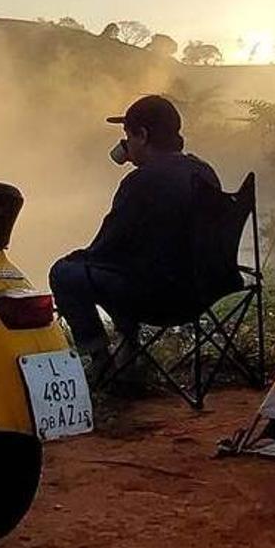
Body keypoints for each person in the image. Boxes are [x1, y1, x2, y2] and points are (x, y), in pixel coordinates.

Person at [49, 94, 223, 370]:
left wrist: (76, 259)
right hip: (204, 291)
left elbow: (106, 250)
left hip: (158, 299)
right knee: (128, 270)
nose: (126, 145)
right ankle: (128, 350)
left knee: (65, 273)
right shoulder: (204, 172)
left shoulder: (140, 182)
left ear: (142, 135)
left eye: (128, 137)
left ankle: (102, 365)